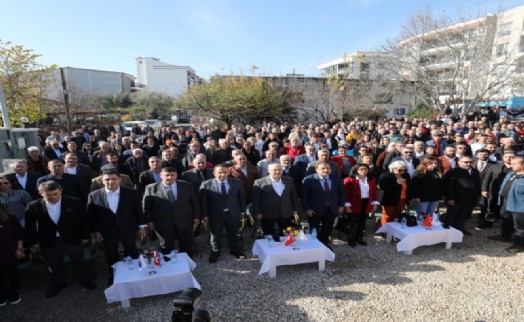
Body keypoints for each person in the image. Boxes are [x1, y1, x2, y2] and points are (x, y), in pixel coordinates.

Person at [25, 181, 96, 298]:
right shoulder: (33, 206)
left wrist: (85, 236)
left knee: (79, 261)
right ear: (41, 194)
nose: (53, 197)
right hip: (49, 241)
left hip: (72, 238)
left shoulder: (74, 202)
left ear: (60, 191)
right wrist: (34, 242)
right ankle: (58, 283)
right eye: (49, 195)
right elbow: (30, 227)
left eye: (55, 194)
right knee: (54, 264)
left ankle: (84, 280)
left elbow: (84, 220)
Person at [87, 168, 146, 284]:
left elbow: (138, 210)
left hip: (128, 228)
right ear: (102, 181)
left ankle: (134, 272)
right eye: (107, 179)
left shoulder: (131, 193)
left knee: (131, 250)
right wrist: (96, 231)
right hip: (107, 231)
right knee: (110, 253)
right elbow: (91, 215)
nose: (111, 182)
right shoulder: (94, 195)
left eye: (114, 179)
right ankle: (114, 274)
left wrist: (142, 226)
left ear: (119, 179)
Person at [143, 167, 200, 257]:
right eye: (167, 175)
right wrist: (149, 221)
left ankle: (187, 261)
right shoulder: (151, 188)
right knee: (166, 245)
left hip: (184, 220)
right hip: (162, 223)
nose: (169, 177)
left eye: (172, 175)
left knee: (186, 243)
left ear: (176, 175)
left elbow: (195, 203)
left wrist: (196, 216)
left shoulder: (187, 185)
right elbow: (146, 207)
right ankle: (168, 263)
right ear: (161, 175)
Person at [199, 164, 246, 263]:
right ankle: (215, 252)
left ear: (228, 172)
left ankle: (235, 250)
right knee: (215, 234)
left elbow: (241, 198)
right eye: (220, 172)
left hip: (233, 212)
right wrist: (205, 215)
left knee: (234, 232)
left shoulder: (237, 183)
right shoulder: (206, 184)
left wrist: (242, 212)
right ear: (214, 173)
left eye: (225, 172)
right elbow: (203, 202)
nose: (223, 175)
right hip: (215, 214)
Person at [301, 161, 345, 250]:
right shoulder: (308, 179)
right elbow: (303, 196)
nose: (326, 170)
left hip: (331, 208)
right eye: (323, 168)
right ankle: (315, 246)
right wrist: (307, 209)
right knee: (314, 228)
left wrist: (341, 205)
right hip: (314, 209)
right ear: (317, 170)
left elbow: (342, 193)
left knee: (328, 228)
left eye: (328, 168)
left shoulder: (336, 178)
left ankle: (324, 244)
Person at [252, 163, 299, 236]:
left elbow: (293, 196)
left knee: (286, 234)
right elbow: (256, 200)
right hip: (268, 213)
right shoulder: (259, 182)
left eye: (279, 170)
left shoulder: (289, 180)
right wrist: (258, 212)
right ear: (268, 171)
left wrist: (295, 210)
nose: (277, 172)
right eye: (275, 170)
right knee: (268, 235)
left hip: (285, 212)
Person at [343, 164, 379, 247]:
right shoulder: (349, 180)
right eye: (361, 169)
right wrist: (347, 205)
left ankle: (359, 238)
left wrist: (374, 203)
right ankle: (351, 239)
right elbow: (346, 194)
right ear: (356, 170)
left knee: (362, 222)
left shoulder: (371, 180)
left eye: (366, 169)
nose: (364, 170)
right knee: (353, 222)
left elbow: (373, 193)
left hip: (366, 203)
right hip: (354, 203)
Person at [443, 156, 481, 235]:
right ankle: (449, 231)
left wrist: (477, 196)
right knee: (452, 215)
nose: (469, 164)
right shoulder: (453, 172)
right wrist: (450, 198)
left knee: (463, 215)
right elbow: (449, 186)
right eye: (466, 162)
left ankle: (460, 229)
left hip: (470, 198)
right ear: (459, 162)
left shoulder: (474, 171)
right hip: (456, 198)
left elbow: (477, 184)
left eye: (470, 162)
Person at [484, 151, 516, 241]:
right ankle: (504, 233)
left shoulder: (517, 172)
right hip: (498, 193)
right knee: (498, 211)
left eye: (511, 157)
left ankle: (511, 235)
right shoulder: (496, 167)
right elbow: (487, 178)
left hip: (514, 198)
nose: (509, 159)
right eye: (507, 156)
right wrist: (484, 189)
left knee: (511, 216)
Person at [498, 157, 524, 253]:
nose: (511, 165)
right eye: (511, 163)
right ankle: (506, 236)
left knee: (520, 227)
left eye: (515, 164)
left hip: (520, 207)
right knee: (507, 221)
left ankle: (519, 245)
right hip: (508, 203)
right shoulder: (511, 174)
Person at [0, 204, 24, 306]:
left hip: (9, 252)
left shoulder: (10, 218)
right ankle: (2, 294)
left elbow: (19, 234)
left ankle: (15, 292)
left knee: (12, 274)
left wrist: (19, 249)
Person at [378, 161, 412, 225]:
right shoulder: (386, 175)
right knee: (387, 216)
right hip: (390, 200)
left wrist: (409, 199)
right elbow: (383, 186)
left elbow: (410, 187)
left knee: (396, 216)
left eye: (405, 170)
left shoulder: (406, 175)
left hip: (402, 200)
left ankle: (393, 232)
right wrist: (397, 183)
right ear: (393, 169)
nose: (403, 172)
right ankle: (385, 231)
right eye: (400, 170)